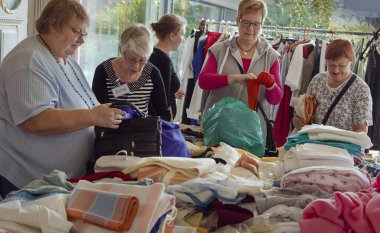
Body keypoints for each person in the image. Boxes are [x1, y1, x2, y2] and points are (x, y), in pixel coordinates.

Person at [0, 0, 126, 198]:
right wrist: (93, 116)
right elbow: (36, 120)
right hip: (30, 183)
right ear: (53, 24)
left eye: (84, 34)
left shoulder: (62, 57)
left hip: (58, 181)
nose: (81, 41)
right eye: (77, 32)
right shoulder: (29, 60)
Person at [198, 0, 283, 136]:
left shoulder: (271, 56)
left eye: (256, 24)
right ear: (238, 20)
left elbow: (276, 100)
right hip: (218, 128)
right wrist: (234, 78)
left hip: (251, 134)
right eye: (246, 22)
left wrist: (271, 85)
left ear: (262, 24)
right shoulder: (219, 49)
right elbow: (203, 81)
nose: (250, 29)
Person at [92, 24, 171, 121]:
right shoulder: (103, 71)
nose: (136, 67)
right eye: (131, 59)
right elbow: (97, 112)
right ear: (121, 50)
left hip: (142, 133)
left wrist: (148, 123)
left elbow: (164, 113)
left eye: (142, 60)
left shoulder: (152, 73)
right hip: (111, 133)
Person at [293, 39, 373, 133]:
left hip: (343, 146)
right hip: (313, 144)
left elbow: (361, 130)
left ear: (351, 62)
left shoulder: (360, 89)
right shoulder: (317, 81)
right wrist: (298, 121)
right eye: (331, 65)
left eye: (341, 66)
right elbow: (300, 115)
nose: (336, 70)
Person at [149, 14, 187, 120]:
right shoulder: (163, 60)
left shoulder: (152, 54)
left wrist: (173, 94)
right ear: (172, 36)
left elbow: (156, 91)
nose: (183, 39)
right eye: (182, 34)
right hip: (161, 122)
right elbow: (161, 100)